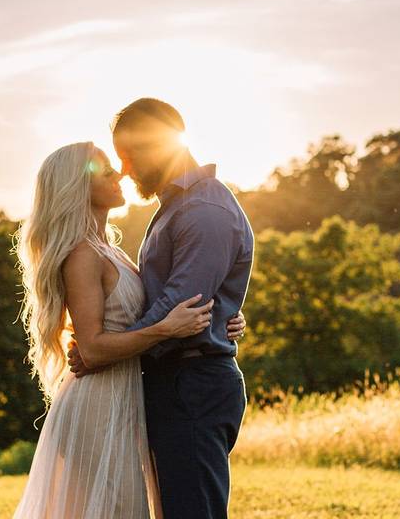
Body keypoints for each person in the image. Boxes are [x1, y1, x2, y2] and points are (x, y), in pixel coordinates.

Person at [12, 140, 246, 519]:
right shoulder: (82, 255)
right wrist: (166, 329)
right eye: (103, 170)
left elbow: (159, 302)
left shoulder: (111, 250)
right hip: (98, 400)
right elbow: (92, 350)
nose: (118, 173)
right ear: (77, 188)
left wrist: (224, 318)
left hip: (125, 394)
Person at [68, 98, 254, 519]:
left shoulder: (202, 209)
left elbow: (180, 304)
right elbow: (179, 299)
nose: (127, 169)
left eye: (129, 156)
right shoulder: (178, 206)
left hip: (191, 383)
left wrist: (104, 348)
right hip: (176, 380)